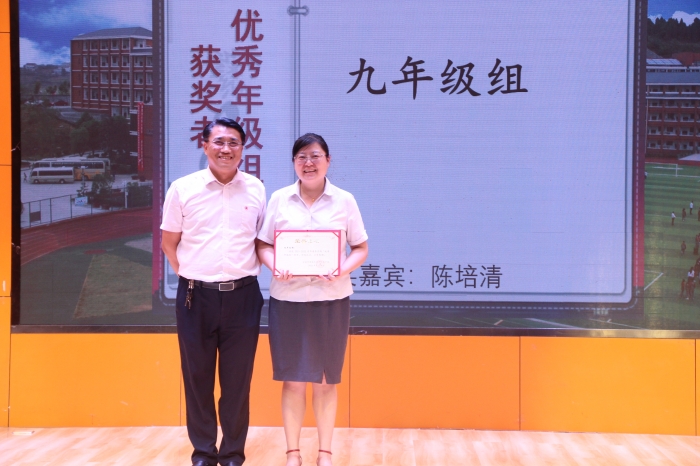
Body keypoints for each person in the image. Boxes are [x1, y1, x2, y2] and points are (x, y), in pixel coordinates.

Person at [256, 133, 369, 466]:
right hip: (287, 301)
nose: (309, 163)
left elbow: (360, 247)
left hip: (331, 300)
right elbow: (263, 245)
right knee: (292, 380)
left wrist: (340, 269)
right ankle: (293, 452)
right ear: (294, 163)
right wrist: (276, 265)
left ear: (328, 161)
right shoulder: (279, 199)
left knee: (325, 380)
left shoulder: (345, 201)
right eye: (301, 157)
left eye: (315, 156)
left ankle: (324, 453)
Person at [161, 118, 266, 466]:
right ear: (205, 145)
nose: (226, 149)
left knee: (238, 381)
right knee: (197, 379)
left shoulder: (256, 188)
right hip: (195, 297)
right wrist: (193, 276)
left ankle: (233, 453)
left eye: (234, 142)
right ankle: (204, 452)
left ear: (242, 149)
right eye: (219, 142)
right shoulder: (182, 189)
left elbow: (260, 240)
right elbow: (169, 243)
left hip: (243, 296)